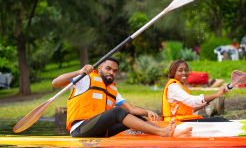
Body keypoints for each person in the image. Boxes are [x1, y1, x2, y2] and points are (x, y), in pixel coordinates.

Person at [52, 57, 192, 137]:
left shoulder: (112, 89)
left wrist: (146, 112)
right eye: (108, 69)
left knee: (134, 117)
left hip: (101, 132)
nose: (112, 73)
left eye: (115, 71)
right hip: (80, 129)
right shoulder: (85, 78)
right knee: (117, 112)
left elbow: (130, 109)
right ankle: (163, 132)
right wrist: (80, 71)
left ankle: (169, 132)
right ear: (100, 67)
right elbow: (55, 83)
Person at [162, 60, 228, 122]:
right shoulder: (173, 87)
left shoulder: (180, 85)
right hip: (175, 123)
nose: (184, 73)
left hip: (182, 120)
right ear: (173, 72)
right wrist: (216, 95)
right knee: (219, 120)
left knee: (219, 120)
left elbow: (189, 109)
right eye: (180, 70)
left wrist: (203, 104)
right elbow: (192, 101)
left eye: (186, 70)